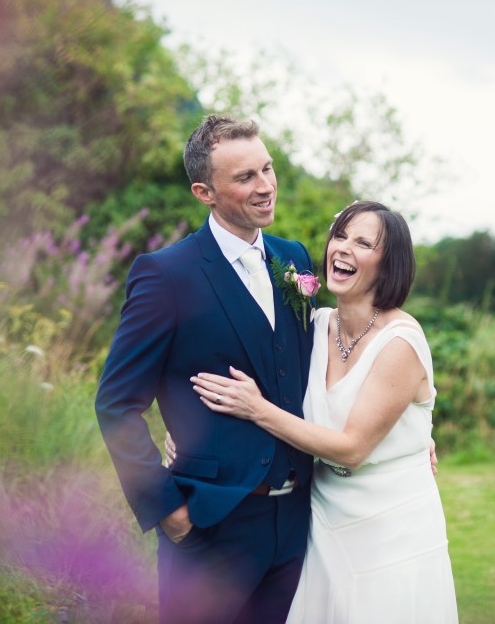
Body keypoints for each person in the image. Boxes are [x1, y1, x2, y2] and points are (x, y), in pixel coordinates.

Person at [188, 200, 458, 622]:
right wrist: (188, 435)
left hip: (392, 527)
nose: (343, 248)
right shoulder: (312, 327)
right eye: (341, 236)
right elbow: (254, 379)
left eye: (363, 242)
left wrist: (258, 410)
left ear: (389, 265)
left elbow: (352, 448)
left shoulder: (401, 341)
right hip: (323, 519)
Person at [95, 114, 316, 623]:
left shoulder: (294, 259)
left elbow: (319, 363)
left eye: (267, 169)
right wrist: (166, 509)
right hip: (211, 525)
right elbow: (116, 403)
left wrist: (400, 432)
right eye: (245, 178)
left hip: (297, 519)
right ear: (204, 192)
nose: (266, 187)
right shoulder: (165, 275)